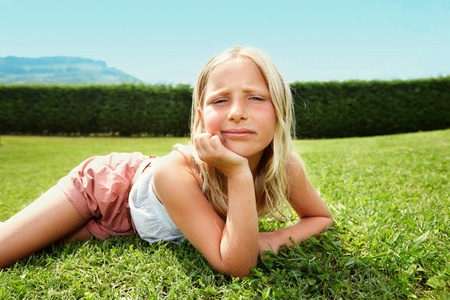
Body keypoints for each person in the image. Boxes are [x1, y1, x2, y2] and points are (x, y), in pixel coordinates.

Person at [0, 46, 333, 277]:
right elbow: (238, 265)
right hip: (106, 192)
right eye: (220, 100)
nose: (237, 112)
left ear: (280, 110)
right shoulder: (176, 170)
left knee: (45, 245)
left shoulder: (285, 166)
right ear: (202, 117)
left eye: (256, 97)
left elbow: (320, 218)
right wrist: (238, 173)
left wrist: (275, 238)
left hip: (132, 227)